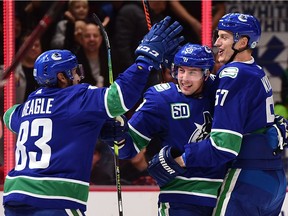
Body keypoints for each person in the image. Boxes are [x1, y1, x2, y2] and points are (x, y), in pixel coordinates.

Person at [2, 16, 184, 215]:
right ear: (62, 77)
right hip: (54, 198)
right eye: (75, 71)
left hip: (15, 196)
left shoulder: (28, 105)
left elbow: (8, 117)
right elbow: (120, 97)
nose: (80, 76)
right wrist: (145, 60)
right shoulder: (78, 97)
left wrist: (90, 122)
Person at [148, 13, 288, 216]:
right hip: (274, 178)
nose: (216, 42)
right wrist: (183, 61)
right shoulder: (256, 71)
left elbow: (224, 145)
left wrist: (180, 160)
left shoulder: (232, 74)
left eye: (224, 37)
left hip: (247, 174)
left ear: (242, 42)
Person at [100, 43, 228, 215]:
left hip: (225, 195)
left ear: (206, 74)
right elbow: (128, 149)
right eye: (181, 70)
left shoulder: (223, 90)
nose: (184, 78)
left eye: (192, 72)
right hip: (181, 197)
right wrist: (117, 137)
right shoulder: (161, 99)